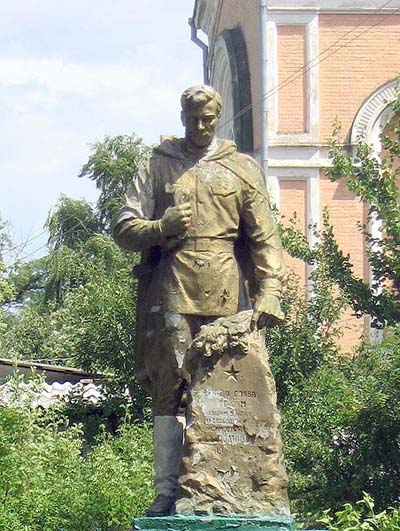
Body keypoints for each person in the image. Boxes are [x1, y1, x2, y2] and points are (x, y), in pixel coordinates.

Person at [113, 85, 285, 516]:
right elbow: (124, 228)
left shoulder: (241, 168)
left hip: (226, 293)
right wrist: (160, 227)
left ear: (219, 116)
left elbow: (264, 239)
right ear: (182, 116)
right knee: (170, 390)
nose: (201, 127)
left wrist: (269, 292)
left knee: (226, 386)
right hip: (171, 288)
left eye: (208, 119)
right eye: (193, 119)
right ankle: (167, 491)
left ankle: (227, 485)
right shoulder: (157, 165)